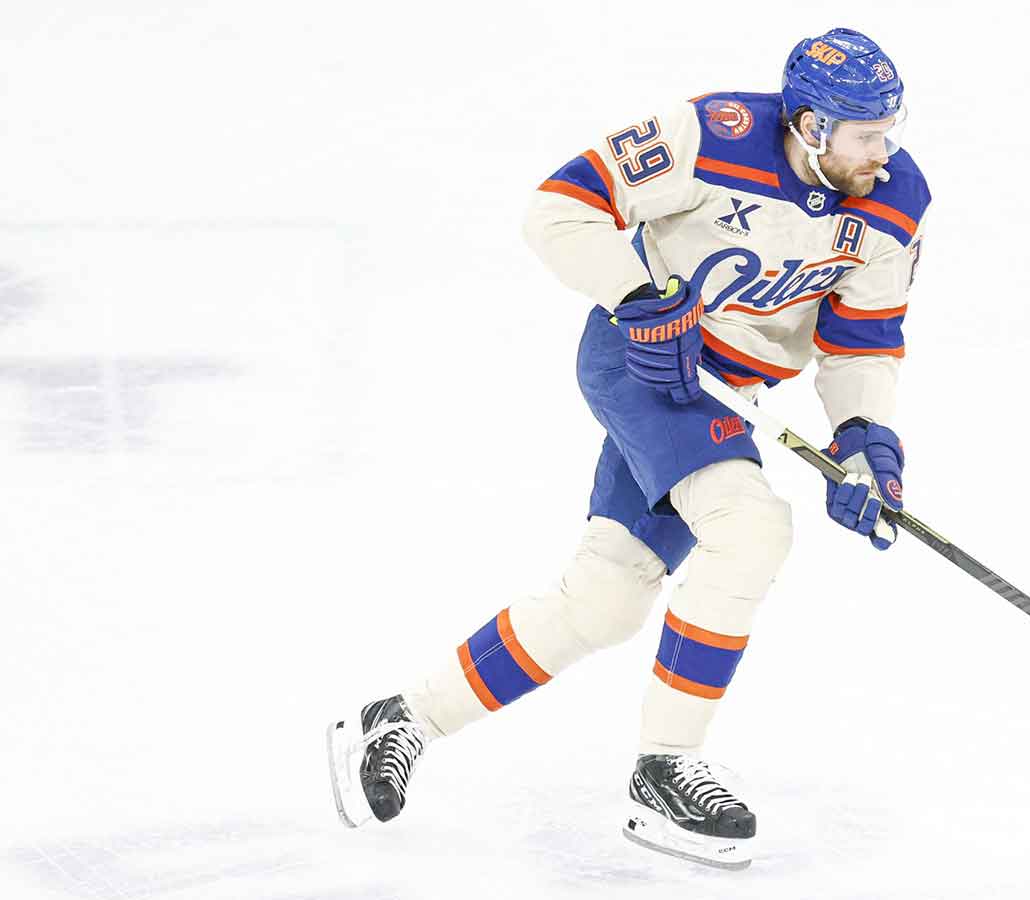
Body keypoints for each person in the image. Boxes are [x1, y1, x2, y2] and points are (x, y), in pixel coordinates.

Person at [325, 26, 930, 870]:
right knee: (751, 530)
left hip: (729, 394)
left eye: (889, 131)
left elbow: (862, 341)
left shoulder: (896, 200)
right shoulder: (710, 134)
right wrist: (638, 295)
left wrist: (863, 441)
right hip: (641, 360)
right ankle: (666, 769)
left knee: (604, 600)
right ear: (812, 127)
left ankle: (402, 719)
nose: (884, 152)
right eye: (867, 135)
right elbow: (560, 206)